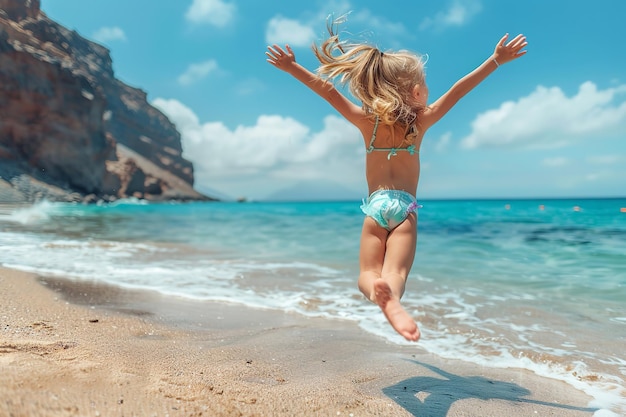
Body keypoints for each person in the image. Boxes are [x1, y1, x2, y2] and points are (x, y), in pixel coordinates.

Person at [266, 18, 527, 342]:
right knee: (397, 272)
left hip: (375, 208)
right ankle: (393, 299)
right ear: (416, 91)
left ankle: (378, 294)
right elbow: (459, 90)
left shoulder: (365, 122)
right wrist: (495, 61)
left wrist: (292, 68)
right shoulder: (420, 122)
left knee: (367, 273)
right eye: (426, 85)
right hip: (404, 210)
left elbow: (328, 90)